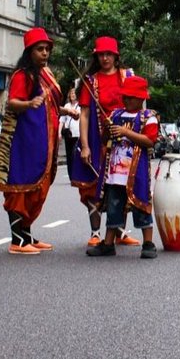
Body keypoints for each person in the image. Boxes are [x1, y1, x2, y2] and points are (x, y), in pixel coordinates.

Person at [0, 26, 62, 255]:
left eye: (47, 49)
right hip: (25, 141)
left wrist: (66, 112)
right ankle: (17, 241)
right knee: (21, 186)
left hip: (44, 142)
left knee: (37, 188)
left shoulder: (45, 74)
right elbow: (13, 102)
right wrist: (29, 104)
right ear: (29, 51)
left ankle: (27, 235)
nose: (45, 53)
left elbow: (48, 105)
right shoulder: (23, 75)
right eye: (40, 49)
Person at [70, 35, 140, 248]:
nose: (105, 58)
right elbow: (84, 115)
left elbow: (139, 107)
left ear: (116, 56)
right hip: (97, 140)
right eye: (101, 54)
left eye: (109, 54)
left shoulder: (127, 76)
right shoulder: (90, 82)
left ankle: (119, 232)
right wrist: (85, 146)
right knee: (93, 187)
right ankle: (95, 233)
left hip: (124, 141)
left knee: (121, 185)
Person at [86, 75, 160, 259]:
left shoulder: (149, 118)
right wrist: (107, 129)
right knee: (113, 207)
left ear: (141, 98)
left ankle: (148, 243)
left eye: (131, 97)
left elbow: (149, 141)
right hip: (114, 174)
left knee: (141, 205)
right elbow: (105, 140)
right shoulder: (115, 115)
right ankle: (108, 243)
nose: (127, 100)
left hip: (136, 172)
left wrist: (126, 132)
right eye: (125, 96)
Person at [59, 86, 81, 169]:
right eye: (71, 93)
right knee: (69, 157)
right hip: (69, 135)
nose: (73, 95)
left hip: (78, 135)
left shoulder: (80, 106)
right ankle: (71, 174)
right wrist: (59, 133)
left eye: (74, 93)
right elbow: (62, 120)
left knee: (75, 155)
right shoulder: (67, 106)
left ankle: (76, 173)